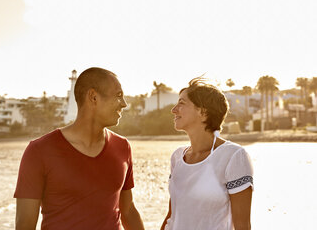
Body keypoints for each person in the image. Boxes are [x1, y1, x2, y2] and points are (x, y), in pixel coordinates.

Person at [14, 67, 145, 230]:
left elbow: (128, 211)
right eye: (118, 96)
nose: (124, 104)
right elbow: (24, 225)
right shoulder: (40, 151)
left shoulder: (122, 147)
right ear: (93, 97)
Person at [161, 77, 254, 230]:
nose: (174, 109)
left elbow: (242, 226)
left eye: (182, 103)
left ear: (203, 112)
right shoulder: (177, 157)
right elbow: (172, 216)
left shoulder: (234, 156)